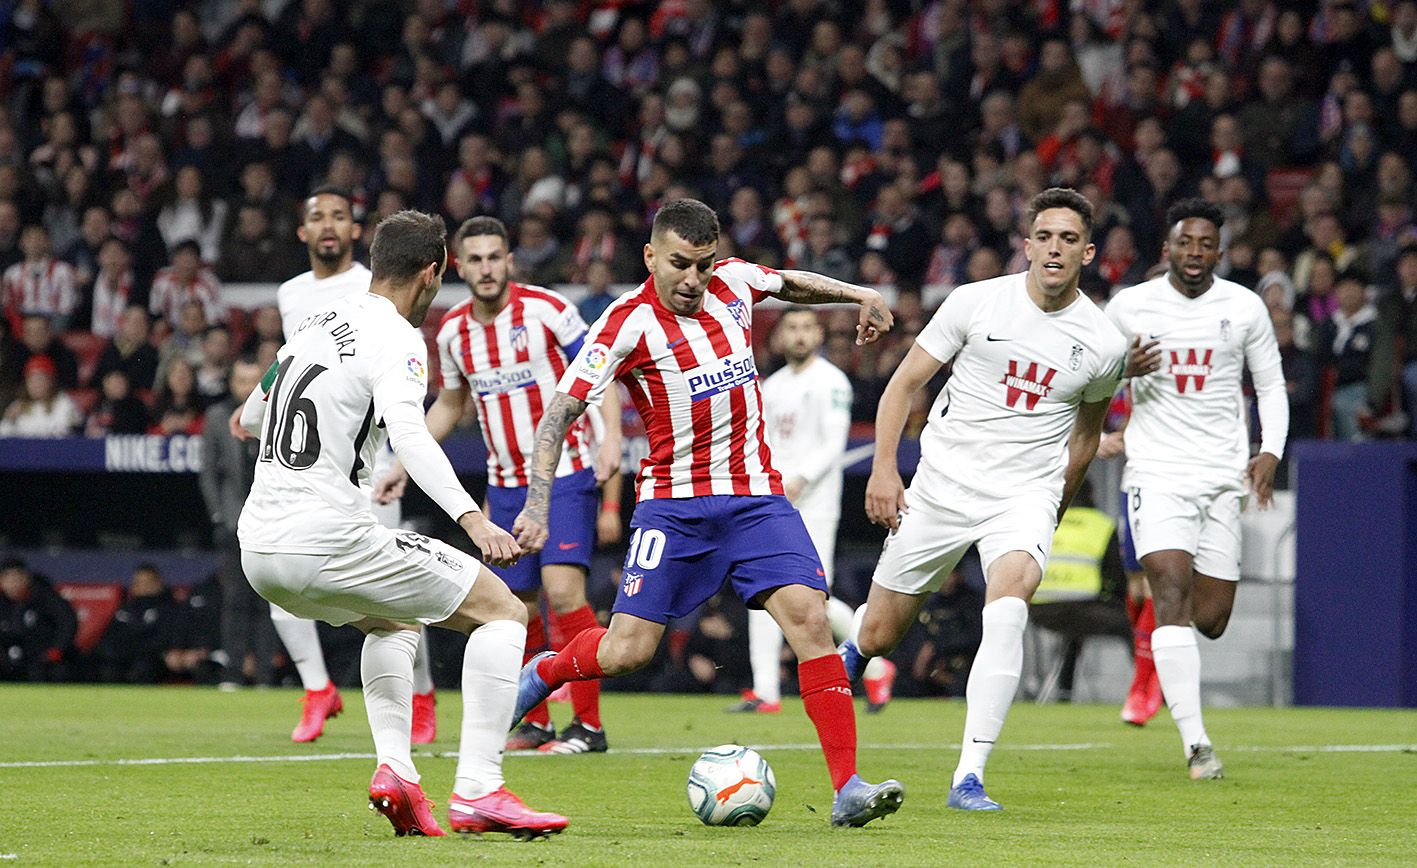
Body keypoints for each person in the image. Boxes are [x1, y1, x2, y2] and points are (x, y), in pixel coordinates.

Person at [507, 198, 905, 827]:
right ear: (649, 256)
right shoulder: (624, 324)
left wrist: (858, 293)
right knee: (627, 650)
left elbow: (791, 283)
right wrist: (537, 503)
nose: (693, 280)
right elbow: (560, 413)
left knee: (808, 620)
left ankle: (847, 786)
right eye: (679, 265)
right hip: (673, 510)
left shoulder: (735, 283)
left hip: (755, 499)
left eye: (703, 264)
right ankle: (548, 670)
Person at [236, 210, 567, 838]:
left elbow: (253, 413)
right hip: (325, 536)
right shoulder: (395, 336)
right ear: (432, 271)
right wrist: (472, 519)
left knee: (392, 620)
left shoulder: (311, 325)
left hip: (260, 546)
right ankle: (479, 790)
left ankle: (398, 775)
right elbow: (410, 434)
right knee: (504, 612)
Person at [838, 188, 1128, 811]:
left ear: (1088, 252)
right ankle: (856, 648)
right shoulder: (975, 302)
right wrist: (885, 469)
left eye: (1069, 239)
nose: (1055, 249)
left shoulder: (1104, 342)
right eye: (1045, 236)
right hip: (942, 483)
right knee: (884, 632)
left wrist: (1053, 505)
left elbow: (1085, 433)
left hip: (1022, 495)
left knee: (1009, 601)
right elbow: (904, 384)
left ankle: (968, 775)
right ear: (1027, 246)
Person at [374, 216, 621, 754]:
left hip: (566, 472)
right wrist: (400, 463)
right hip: (504, 484)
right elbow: (451, 405)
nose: (486, 268)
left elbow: (602, 373)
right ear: (458, 267)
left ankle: (588, 727)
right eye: (475, 259)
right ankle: (535, 722)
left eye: (495, 257)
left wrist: (611, 441)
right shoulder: (455, 331)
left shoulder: (549, 310)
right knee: (522, 606)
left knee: (563, 592)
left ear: (510, 261)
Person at [1105, 197, 1288, 781]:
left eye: (1206, 244)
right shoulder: (1129, 306)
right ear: (1167, 249)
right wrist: (1121, 373)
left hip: (1221, 479)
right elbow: (1084, 372)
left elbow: (1271, 387)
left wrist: (1270, 450)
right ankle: (1196, 744)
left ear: (1219, 251)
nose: (1195, 253)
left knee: (1210, 618)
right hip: (1155, 473)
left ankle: (1175, 700)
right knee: (1170, 595)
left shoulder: (1244, 307)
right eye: (1185, 243)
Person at [267, 186, 439, 744]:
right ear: (302, 231)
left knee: (401, 594)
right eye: (316, 216)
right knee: (280, 583)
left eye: (339, 216)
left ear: (357, 233)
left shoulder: (371, 289)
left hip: (371, 465)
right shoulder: (291, 294)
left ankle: (422, 695)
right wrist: (262, 400)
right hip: (309, 457)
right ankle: (319, 688)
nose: (328, 226)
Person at [728, 307, 862, 714]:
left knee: (813, 601)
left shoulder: (832, 382)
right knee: (762, 589)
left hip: (815, 505)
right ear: (780, 337)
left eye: (807, 328)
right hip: (772, 502)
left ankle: (871, 659)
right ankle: (766, 690)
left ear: (819, 334)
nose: (800, 336)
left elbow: (834, 443)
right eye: (792, 328)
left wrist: (800, 478)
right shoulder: (772, 386)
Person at [201, 359, 278, 688]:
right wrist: (218, 516)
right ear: (231, 381)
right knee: (235, 599)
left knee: (268, 599)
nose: (247, 386)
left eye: (253, 380)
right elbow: (209, 472)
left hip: (272, 520)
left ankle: (264, 675)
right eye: (241, 379)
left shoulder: (276, 410)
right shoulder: (218, 417)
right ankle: (232, 672)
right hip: (235, 521)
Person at [0, 557, 77, 682]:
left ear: (26, 578)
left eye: (17, 578)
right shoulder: (3, 603)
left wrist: (57, 649)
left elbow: (67, 621)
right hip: (10, 658)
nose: (13, 584)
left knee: (55, 671)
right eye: (8, 579)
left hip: (43, 658)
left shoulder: (44, 597)